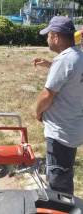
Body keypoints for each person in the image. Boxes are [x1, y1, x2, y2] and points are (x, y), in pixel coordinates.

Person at [34, 16, 83, 195]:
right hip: (72, 128)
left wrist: (37, 112)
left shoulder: (64, 60)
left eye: (48, 35)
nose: (46, 39)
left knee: (57, 183)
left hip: (59, 132)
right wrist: (50, 65)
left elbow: (47, 95)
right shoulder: (78, 56)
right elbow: (70, 76)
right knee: (65, 174)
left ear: (55, 36)